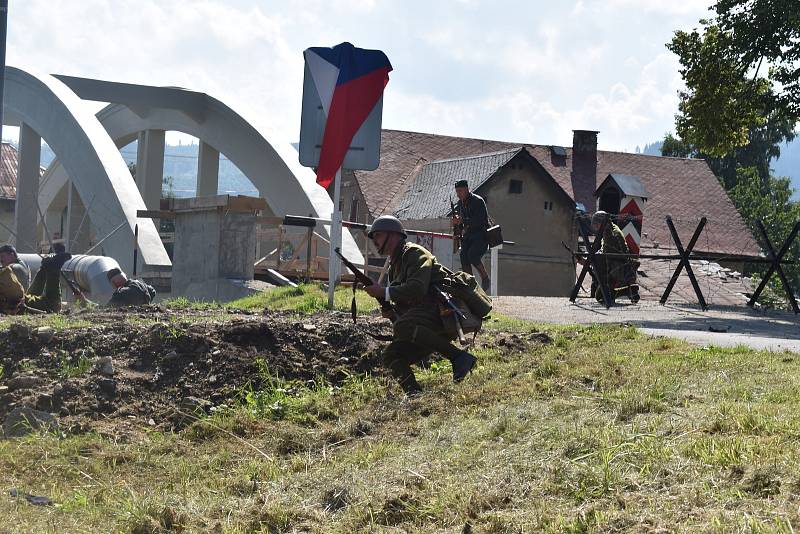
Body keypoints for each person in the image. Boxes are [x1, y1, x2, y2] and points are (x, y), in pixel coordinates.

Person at [363, 215, 477, 396]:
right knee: (391, 355)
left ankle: (459, 357)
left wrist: (384, 292)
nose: (375, 241)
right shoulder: (395, 265)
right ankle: (414, 395)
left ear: (392, 235)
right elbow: (405, 308)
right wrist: (391, 312)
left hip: (442, 314)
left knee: (403, 326)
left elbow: (417, 288)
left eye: (377, 235)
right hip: (424, 323)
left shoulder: (415, 253)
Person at [587, 211, 638, 302]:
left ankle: (615, 293)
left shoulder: (609, 233)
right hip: (619, 263)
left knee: (600, 296)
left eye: (596, 225)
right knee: (601, 294)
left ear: (600, 223)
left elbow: (605, 254)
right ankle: (628, 291)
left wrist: (589, 260)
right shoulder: (611, 228)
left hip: (617, 266)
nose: (596, 228)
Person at [0, 252, 71, 314]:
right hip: (14, 302)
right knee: (48, 304)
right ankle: (49, 268)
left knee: (50, 305)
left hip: (13, 302)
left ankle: (49, 268)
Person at [453, 179, 491, 291]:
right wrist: (457, 226)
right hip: (468, 235)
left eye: (460, 191)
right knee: (463, 256)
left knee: (472, 255)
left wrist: (462, 220)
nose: (458, 194)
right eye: (457, 191)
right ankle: (469, 283)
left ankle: (485, 277)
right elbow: (461, 222)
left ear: (466, 189)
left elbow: (479, 220)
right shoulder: (460, 204)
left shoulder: (478, 201)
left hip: (481, 234)